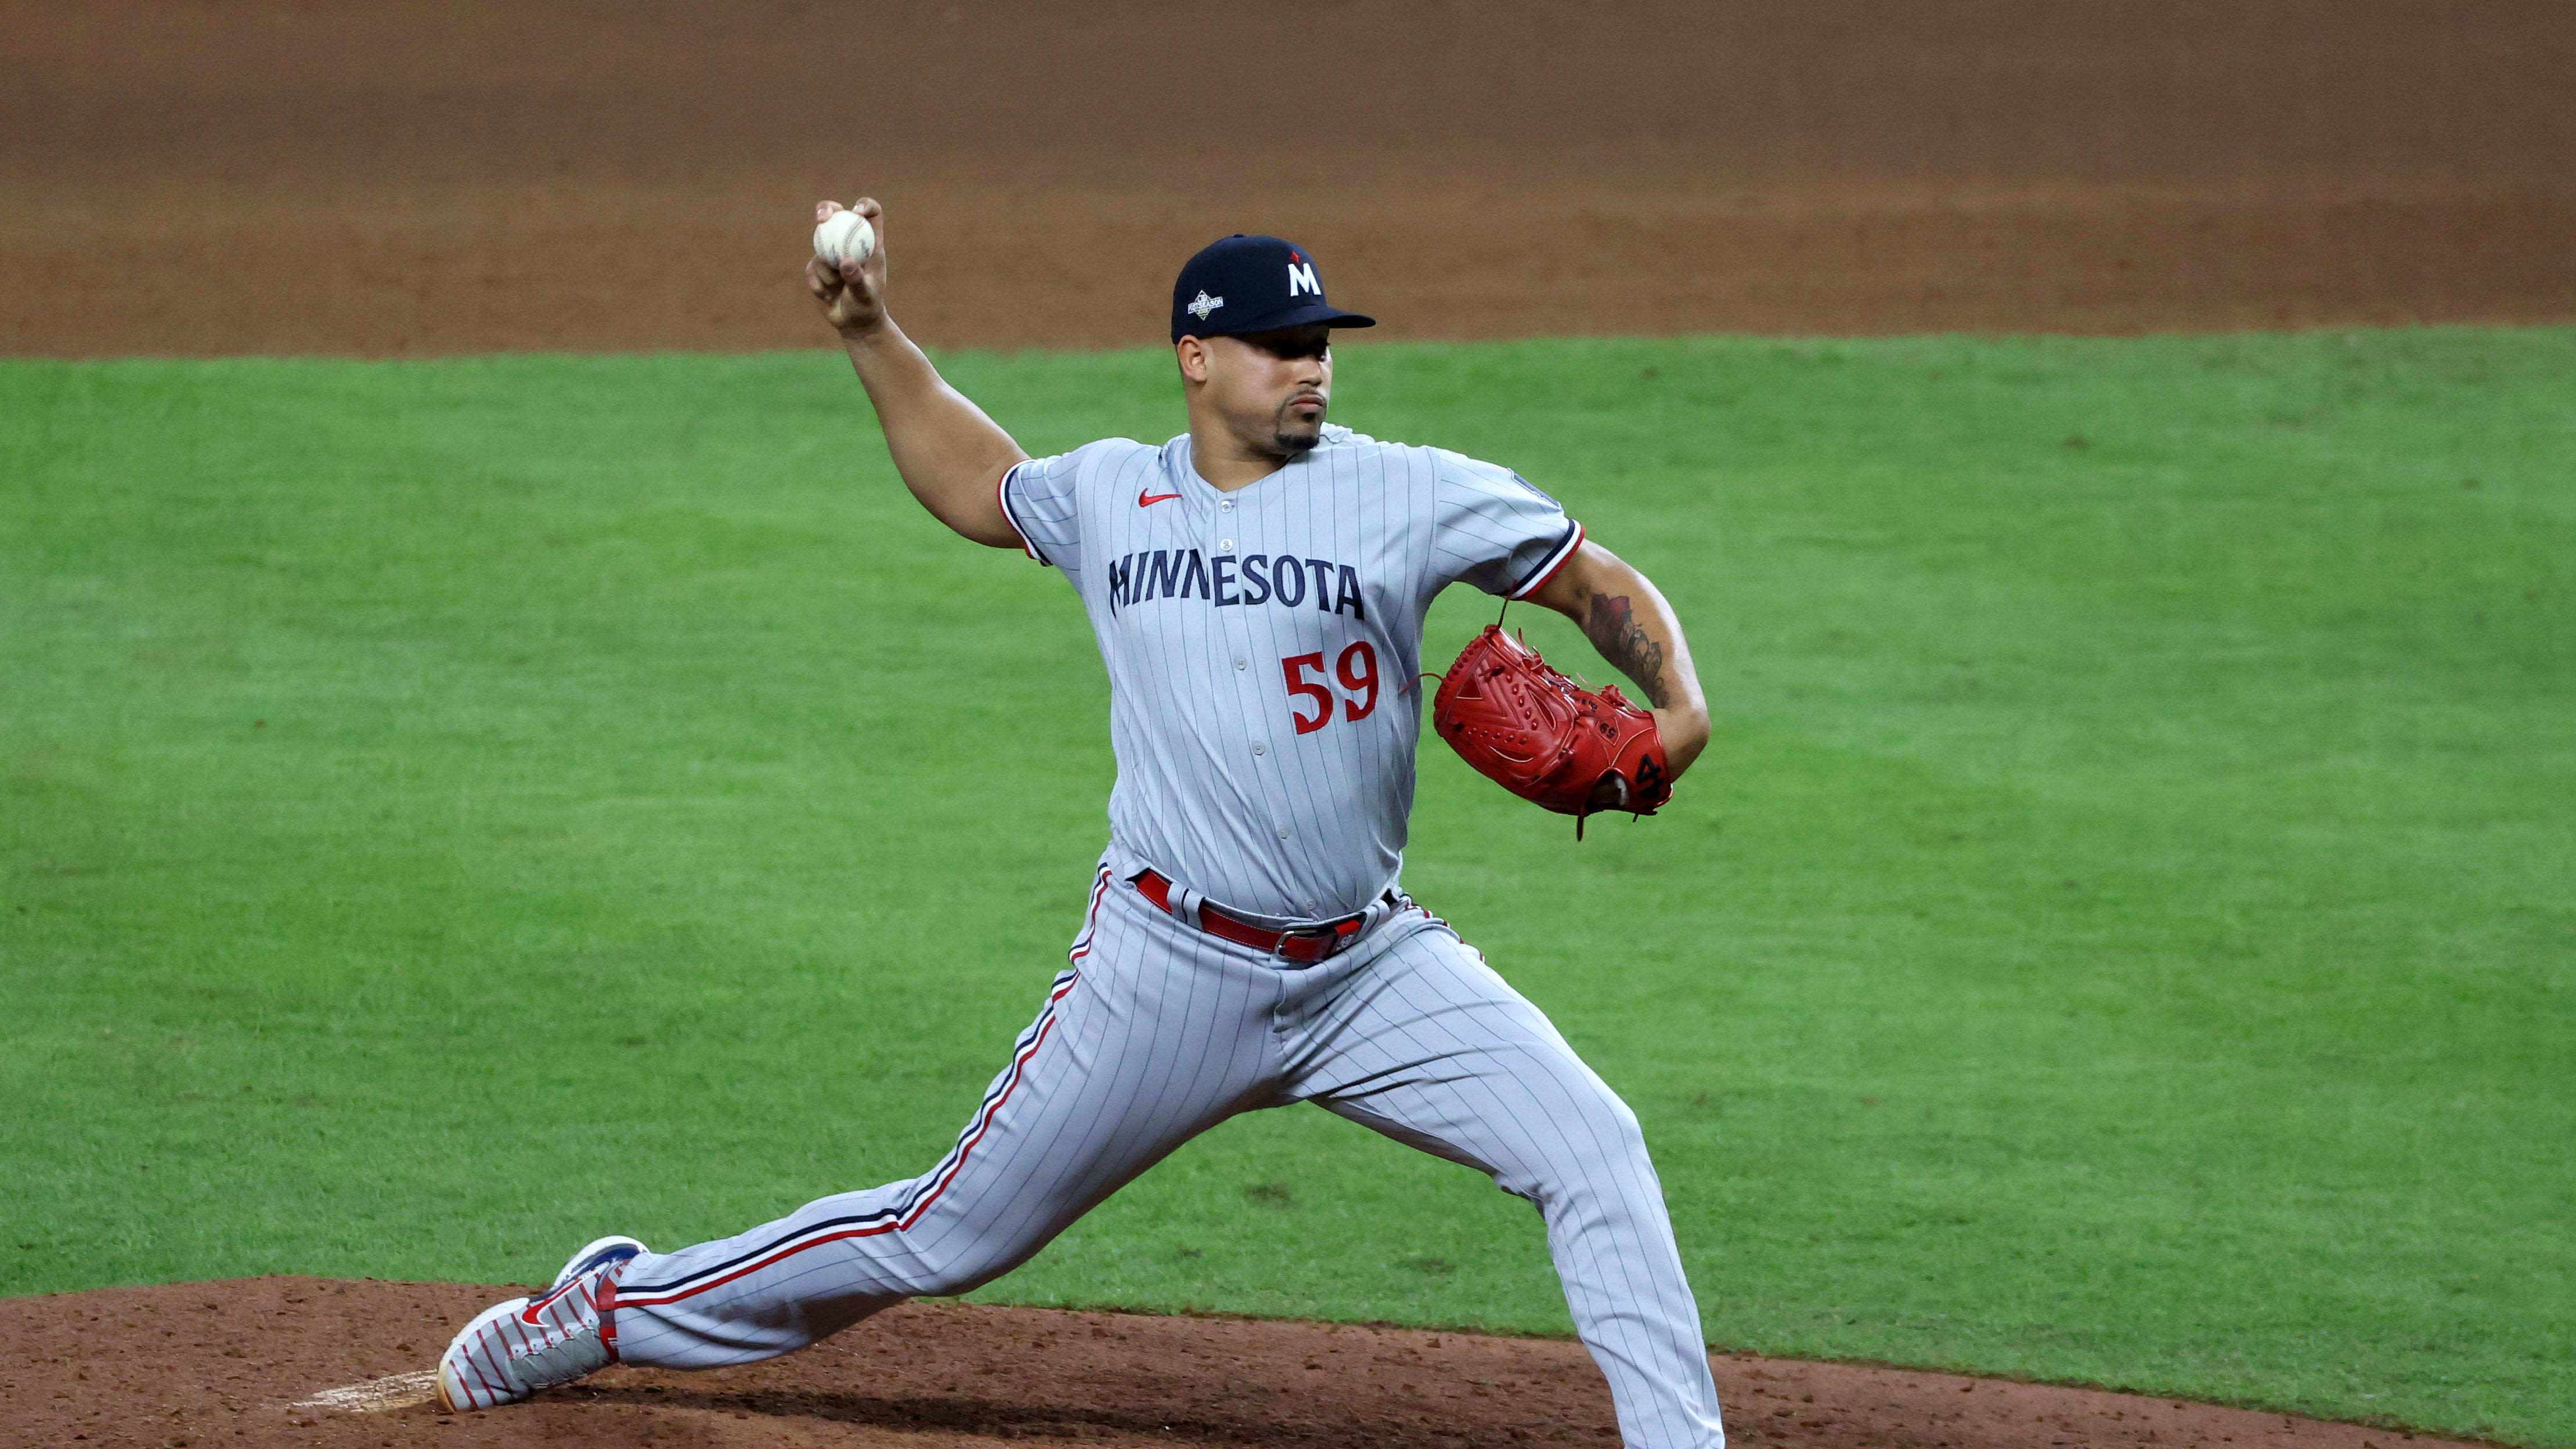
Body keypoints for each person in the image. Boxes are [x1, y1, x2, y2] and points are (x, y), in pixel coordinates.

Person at [435, 199, 1725, 1448]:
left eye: (1321, 343)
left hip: (1368, 968)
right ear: (1196, 357)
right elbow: (976, 482)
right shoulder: (1112, 496)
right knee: (943, 1236)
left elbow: (1590, 579)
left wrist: (1677, 706)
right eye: (1281, 345)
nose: (1310, 368)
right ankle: (613, 1304)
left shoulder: (1406, 491)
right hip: (1167, 970)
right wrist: (870, 331)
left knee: (1593, 1149)